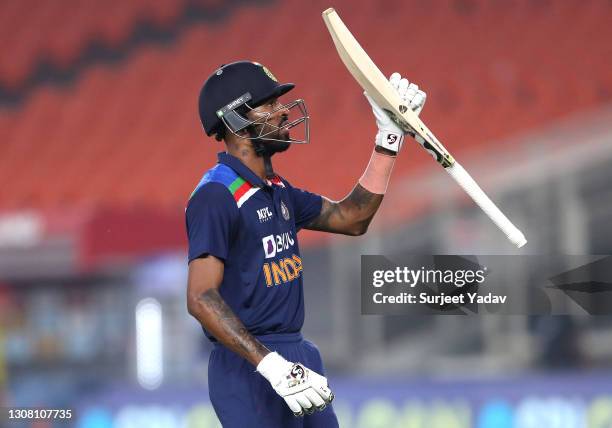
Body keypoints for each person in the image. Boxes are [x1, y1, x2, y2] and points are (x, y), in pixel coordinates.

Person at [185, 60, 426, 427]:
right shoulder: (217, 195)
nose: (283, 113)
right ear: (234, 120)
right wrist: (270, 364)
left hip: (297, 354)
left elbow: (353, 219)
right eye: (268, 105)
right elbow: (201, 298)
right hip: (248, 364)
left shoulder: (278, 190)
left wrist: (388, 138)